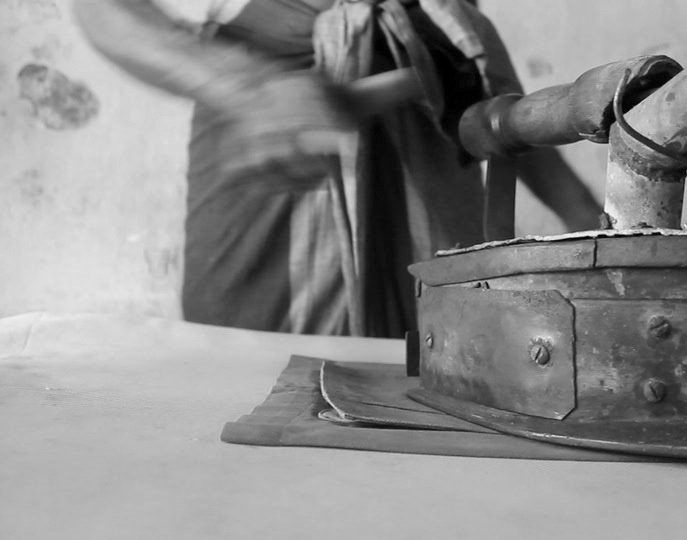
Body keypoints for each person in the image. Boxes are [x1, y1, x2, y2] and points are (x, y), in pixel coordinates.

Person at [74, 0, 602, 338]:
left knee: (445, 374)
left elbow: (495, 103)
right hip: (273, 172)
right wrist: (245, 89)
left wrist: (597, 229)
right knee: (244, 387)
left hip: (431, 190)